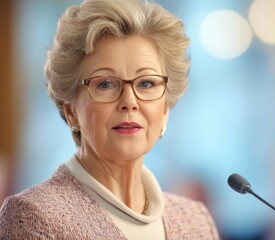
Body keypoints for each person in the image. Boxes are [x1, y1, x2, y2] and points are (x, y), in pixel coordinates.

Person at [0, 0, 220, 239]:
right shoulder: (33, 216)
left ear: (165, 109)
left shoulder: (196, 220)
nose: (129, 101)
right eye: (105, 84)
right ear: (71, 110)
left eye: (146, 83)